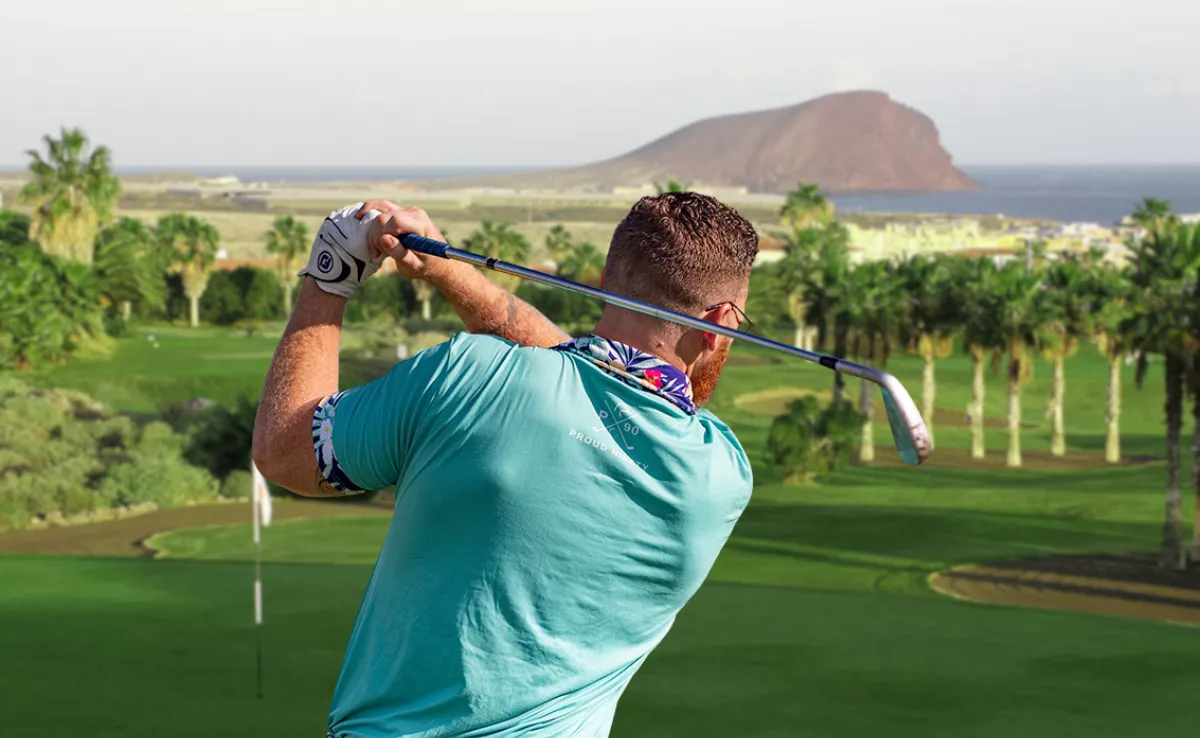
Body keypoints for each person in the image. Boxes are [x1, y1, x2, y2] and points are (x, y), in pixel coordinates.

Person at [252, 192, 759, 738]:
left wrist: (332, 274)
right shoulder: (720, 476)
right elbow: (594, 378)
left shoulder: (467, 375)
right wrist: (451, 273)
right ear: (721, 323)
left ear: (607, 279)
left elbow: (285, 450)